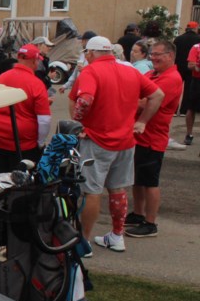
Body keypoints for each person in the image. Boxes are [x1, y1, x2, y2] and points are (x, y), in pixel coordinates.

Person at [69, 36, 164, 253]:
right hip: (125, 141)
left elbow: (84, 100)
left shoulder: (91, 72)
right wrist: (141, 122)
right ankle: (117, 235)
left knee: (91, 191)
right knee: (117, 189)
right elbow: (157, 94)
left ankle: (84, 241)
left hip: (97, 140)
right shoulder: (130, 70)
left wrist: (79, 123)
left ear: (91, 53)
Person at [123, 40, 183, 239]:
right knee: (137, 179)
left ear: (170, 56)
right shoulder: (152, 74)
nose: (153, 58)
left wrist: (124, 99)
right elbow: (137, 91)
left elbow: (145, 102)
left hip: (153, 137)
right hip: (140, 136)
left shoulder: (172, 78)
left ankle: (150, 223)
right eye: (152, 54)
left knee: (150, 181)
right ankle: (138, 214)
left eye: (158, 54)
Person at [0, 44, 51, 174]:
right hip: (24, 143)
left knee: (2, 177)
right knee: (23, 182)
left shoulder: (1, 78)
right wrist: (40, 142)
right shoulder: (36, 84)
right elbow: (44, 120)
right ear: (34, 60)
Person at [173, 21, 199, 116]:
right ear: (195, 28)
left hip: (178, 66)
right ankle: (184, 110)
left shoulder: (178, 39)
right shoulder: (198, 39)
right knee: (188, 88)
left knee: (176, 88)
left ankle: (174, 110)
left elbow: (174, 52)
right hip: (192, 66)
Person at [185, 34, 200, 146]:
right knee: (191, 108)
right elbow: (190, 65)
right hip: (197, 81)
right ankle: (189, 134)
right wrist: (196, 66)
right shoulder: (196, 47)